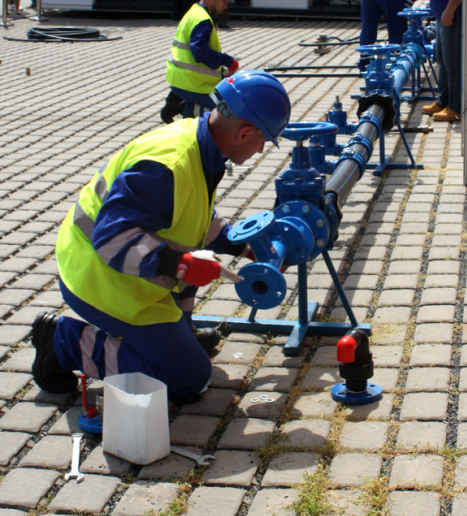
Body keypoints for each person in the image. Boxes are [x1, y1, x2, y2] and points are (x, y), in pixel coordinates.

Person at [31, 72, 292, 404]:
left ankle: (177, 335)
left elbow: (190, 216)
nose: (260, 150)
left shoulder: (198, 140)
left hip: (120, 269)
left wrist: (244, 248)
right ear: (243, 134)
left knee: (194, 264)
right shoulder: (167, 166)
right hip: (99, 278)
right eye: (264, 141)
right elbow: (111, 238)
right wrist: (179, 263)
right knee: (189, 379)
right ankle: (64, 342)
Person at [160, 0, 239, 124]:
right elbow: (200, 53)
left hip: (181, 79)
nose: (225, 6)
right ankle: (189, 113)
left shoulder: (194, 12)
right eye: (225, 0)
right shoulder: (203, 20)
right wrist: (227, 60)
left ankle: (181, 104)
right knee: (228, 111)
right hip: (193, 84)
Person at [358, 0, 423, 68]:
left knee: (368, 24)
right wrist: (398, 12)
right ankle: (395, 62)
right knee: (396, 25)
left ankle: (365, 63)